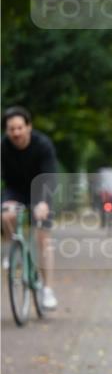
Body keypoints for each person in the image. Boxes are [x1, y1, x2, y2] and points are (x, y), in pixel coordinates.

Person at [0, 106, 58, 309]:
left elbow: (50, 177)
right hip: (15, 191)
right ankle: (13, 250)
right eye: (11, 129)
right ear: (6, 131)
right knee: (6, 215)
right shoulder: (3, 147)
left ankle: (47, 290)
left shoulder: (43, 145)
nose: (16, 133)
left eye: (19, 128)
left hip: (41, 191)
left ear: (28, 127)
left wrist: (43, 202)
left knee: (43, 239)